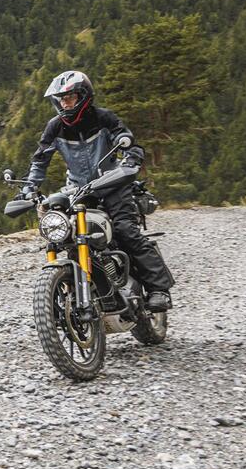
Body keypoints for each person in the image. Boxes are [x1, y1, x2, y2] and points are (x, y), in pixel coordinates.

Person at [24, 70, 174, 312]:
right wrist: (29, 187)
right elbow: (40, 160)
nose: (65, 103)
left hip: (112, 184)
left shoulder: (103, 118)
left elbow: (127, 141)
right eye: (61, 99)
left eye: (70, 98)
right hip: (77, 190)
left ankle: (159, 290)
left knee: (125, 230)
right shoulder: (55, 127)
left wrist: (130, 159)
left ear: (83, 96)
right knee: (65, 234)